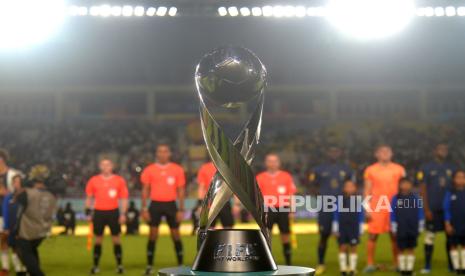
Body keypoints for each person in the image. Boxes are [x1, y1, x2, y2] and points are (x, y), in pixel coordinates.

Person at [141, 144, 185, 276]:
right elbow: (145, 189)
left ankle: (180, 265)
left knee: (175, 234)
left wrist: (181, 209)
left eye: (165, 151)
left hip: (171, 205)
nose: (163, 154)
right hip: (155, 205)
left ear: (169, 153)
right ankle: (149, 266)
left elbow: (181, 190)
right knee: (153, 235)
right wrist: (144, 208)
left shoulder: (177, 169)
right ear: (157, 154)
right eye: (160, 151)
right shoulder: (149, 170)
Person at [309, 146, 355, 274]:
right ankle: (321, 263)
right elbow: (312, 186)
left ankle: (346, 264)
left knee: (344, 236)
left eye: (336, 151)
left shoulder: (346, 169)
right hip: (325, 208)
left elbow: (351, 187)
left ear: (340, 153)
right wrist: (322, 198)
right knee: (324, 236)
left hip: (343, 207)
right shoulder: (318, 169)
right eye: (331, 151)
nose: (334, 153)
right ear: (327, 153)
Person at [363, 145, 406, 273]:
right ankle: (370, 263)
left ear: (392, 153)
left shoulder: (399, 169)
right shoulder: (370, 170)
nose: (385, 153)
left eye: (387, 151)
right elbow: (367, 190)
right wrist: (367, 208)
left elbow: (404, 189)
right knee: (372, 235)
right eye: (382, 151)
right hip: (377, 207)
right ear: (376, 154)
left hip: (395, 207)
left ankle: (397, 263)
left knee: (395, 235)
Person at [85, 158, 129, 275]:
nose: (105, 167)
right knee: (98, 240)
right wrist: (88, 213)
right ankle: (95, 266)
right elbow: (89, 198)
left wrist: (123, 214)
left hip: (113, 213)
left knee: (116, 240)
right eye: (103, 165)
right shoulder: (93, 180)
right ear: (100, 166)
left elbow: (124, 199)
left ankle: (119, 265)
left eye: (108, 165)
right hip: (99, 213)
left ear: (112, 166)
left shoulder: (119, 180)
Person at [417, 143, 456, 273]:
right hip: (432, 209)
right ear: (435, 151)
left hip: (449, 211)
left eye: (445, 149)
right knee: (430, 236)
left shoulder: (452, 167)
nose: (443, 151)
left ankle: (451, 265)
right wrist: (426, 209)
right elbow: (422, 189)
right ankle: (427, 265)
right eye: (440, 149)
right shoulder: (426, 167)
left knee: (450, 237)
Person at [15, 165, 57, 276]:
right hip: (42, 230)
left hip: (27, 231)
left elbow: (19, 211)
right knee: (32, 251)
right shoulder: (51, 195)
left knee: (27, 257)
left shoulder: (27, 194)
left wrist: (15, 230)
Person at [257, 153, 296, 266]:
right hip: (267, 209)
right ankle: (267, 262)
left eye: (275, 161)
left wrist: (292, 210)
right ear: (266, 163)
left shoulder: (286, 176)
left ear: (279, 163)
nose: (272, 163)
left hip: (283, 209)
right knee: (267, 236)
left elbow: (291, 195)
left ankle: (288, 262)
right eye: (270, 161)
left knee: (285, 235)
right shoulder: (260, 177)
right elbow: (257, 197)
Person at [390, 178, 424, 276]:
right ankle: (402, 269)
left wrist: (421, 225)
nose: (405, 186)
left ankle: (409, 270)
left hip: (413, 227)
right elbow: (392, 213)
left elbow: (420, 212)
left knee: (411, 248)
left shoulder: (416, 198)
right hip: (401, 227)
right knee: (400, 248)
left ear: (411, 185)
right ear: (400, 185)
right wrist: (393, 226)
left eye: (407, 184)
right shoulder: (396, 198)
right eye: (403, 184)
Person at [332, 180, 364, 276]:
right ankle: (343, 269)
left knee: (353, 247)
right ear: (344, 188)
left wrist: (361, 228)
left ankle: (352, 269)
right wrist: (335, 228)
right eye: (347, 186)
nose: (350, 188)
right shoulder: (339, 200)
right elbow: (336, 214)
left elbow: (360, 215)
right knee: (342, 247)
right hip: (342, 227)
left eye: (352, 186)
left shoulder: (358, 200)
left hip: (354, 227)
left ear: (355, 188)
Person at [0, 149, 23, 273]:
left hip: (11, 212)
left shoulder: (12, 174)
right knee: (2, 239)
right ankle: (5, 268)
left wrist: (6, 193)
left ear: (1, 159)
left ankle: (19, 267)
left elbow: (20, 193)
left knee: (14, 241)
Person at [196, 161, 236, 230]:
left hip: (224, 201)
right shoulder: (204, 168)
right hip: (210, 202)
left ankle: (225, 240)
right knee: (209, 229)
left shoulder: (228, 168)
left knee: (228, 228)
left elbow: (234, 186)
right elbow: (201, 187)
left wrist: (236, 204)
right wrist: (200, 204)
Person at [2, 175, 26, 275]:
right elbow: (5, 212)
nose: (17, 184)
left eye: (18, 181)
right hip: (12, 227)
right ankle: (18, 270)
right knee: (14, 248)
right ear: (12, 183)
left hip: (25, 228)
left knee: (25, 249)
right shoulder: (9, 197)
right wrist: (6, 227)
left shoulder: (26, 196)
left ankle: (26, 269)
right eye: (15, 182)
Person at [443, 170, 465, 274]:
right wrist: (447, 224)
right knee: (453, 245)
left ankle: (463, 266)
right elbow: (446, 209)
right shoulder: (450, 193)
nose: (460, 179)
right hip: (453, 224)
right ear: (453, 179)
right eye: (458, 177)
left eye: (463, 177)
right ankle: (457, 268)